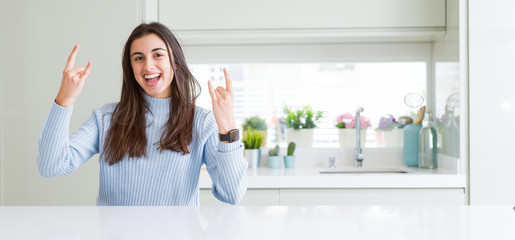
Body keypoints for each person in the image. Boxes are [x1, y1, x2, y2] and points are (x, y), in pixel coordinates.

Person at [36, 22, 248, 206]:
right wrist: (64, 100)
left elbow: (232, 194)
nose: (148, 66)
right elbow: (50, 165)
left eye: (158, 55)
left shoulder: (201, 122)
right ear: (131, 68)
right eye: (138, 58)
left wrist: (228, 127)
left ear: (174, 61)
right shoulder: (106, 119)